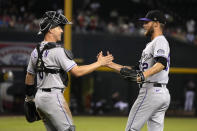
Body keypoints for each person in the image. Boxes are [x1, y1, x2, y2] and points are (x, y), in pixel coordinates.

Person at [25, 11, 113, 131]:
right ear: (51, 29)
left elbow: (29, 76)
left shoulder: (36, 51)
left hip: (39, 98)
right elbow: (77, 72)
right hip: (53, 97)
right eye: (59, 27)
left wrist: (29, 98)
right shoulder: (58, 51)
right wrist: (99, 63)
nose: (62, 30)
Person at [105, 10, 170, 131]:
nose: (144, 25)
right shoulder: (151, 45)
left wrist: (144, 75)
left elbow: (161, 63)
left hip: (150, 91)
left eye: (147, 22)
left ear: (156, 24)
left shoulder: (159, 40)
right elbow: (135, 70)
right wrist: (110, 64)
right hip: (161, 93)